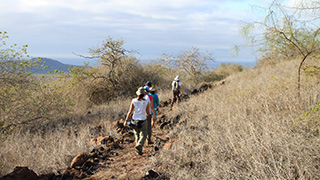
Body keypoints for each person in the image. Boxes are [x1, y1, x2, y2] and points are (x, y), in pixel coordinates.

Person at [124, 87, 150, 155]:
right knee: (143, 135)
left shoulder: (134, 101)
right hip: (143, 120)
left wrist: (126, 120)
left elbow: (130, 111)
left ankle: (139, 150)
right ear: (144, 94)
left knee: (137, 135)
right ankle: (139, 145)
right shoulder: (146, 101)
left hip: (134, 120)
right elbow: (148, 112)